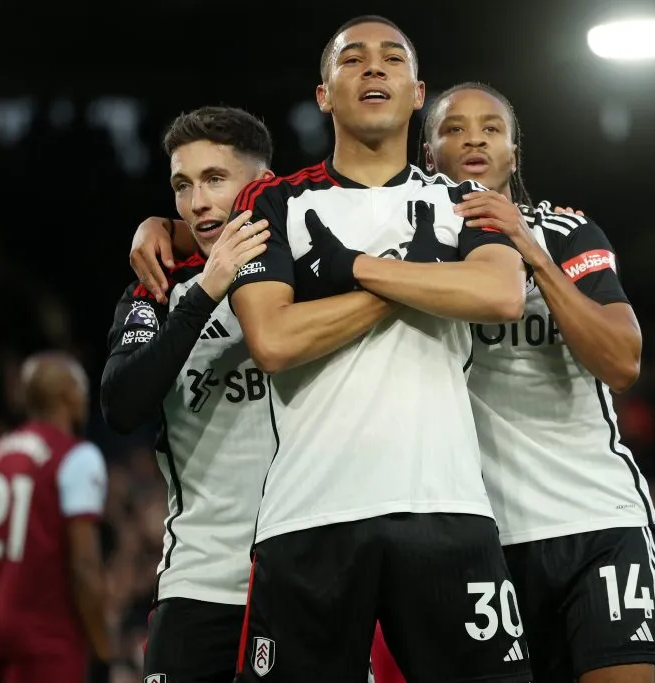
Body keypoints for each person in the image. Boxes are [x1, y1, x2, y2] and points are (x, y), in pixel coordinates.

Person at [219, 15, 531, 683]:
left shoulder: (463, 199)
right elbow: (274, 339)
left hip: (447, 507)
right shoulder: (273, 201)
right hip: (311, 514)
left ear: (418, 94)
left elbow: (501, 294)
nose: (373, 68)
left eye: (392, 58)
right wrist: (422, 282)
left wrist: (354, 266)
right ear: (324, 94)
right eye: (353, 58)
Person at [374, 82, 655, 683]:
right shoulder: (407, 248)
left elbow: (621, 361)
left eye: (491, 128)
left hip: (597, 518)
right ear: (427, 156)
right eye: (454, 127)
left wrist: (528, 250)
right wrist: (163, 229)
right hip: (480, 537)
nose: (474, 138)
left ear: (514, 154)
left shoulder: (566, 232)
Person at [99, 106, 275, 683]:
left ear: (261, 182)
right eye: (182, 185)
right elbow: (121, 404)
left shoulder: (306, 267)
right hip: (199, 582)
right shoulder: (156, 288)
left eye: (214, 179)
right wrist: (204, 291)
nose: (197, 201)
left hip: (305, 573)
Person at [0, 352, 111, 683]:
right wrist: (102, 649)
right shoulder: (77, 457)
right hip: (50, 637)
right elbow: (84, 565)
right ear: (67, 396)